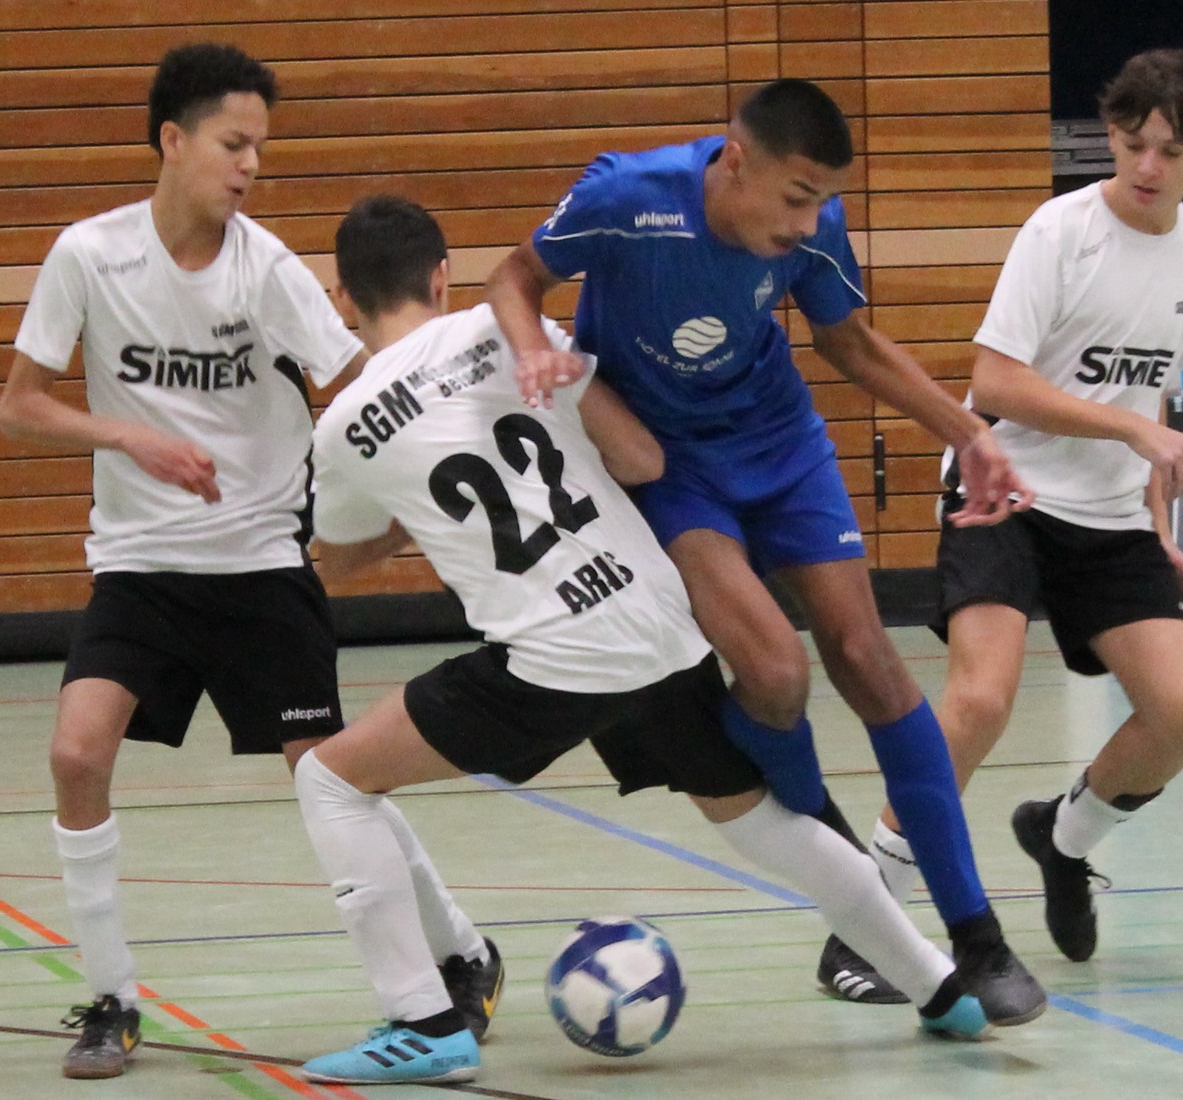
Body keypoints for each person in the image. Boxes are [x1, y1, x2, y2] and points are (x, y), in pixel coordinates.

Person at [294, 195, 993, 1085]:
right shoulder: (510, 331)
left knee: (332, 780)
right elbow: (642, 462)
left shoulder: (345, 424)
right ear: (441, 277)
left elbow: (341, 558)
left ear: (342, 301)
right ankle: (941, 987)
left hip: (549, 660)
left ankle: (423, 1021)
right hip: (656, 626)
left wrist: (406, 505)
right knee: (763, 823)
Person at [484, 78, 1045, 1024]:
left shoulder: (813, 229)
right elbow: (512, 278)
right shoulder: (628, 197)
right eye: (795, 196)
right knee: (777, 675)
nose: (808, 221)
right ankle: (840, 862)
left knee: (868, 659)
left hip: (780, 444)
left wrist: (968, 432)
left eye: (823, 200)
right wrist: (529, 348)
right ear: (736, 162)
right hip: (670, 468)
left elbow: (851, 343)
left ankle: (978, 936)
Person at [0, 44, 502, 1081]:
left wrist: (408, 512)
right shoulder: (89, 256)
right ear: (172, 141)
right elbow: (20, 407)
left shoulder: (267, 271)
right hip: (140, 567)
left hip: (264, 567)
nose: (251, 166)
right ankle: (112, 998)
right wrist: (129, 437)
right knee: (77, 755)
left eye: (260, 148)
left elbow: (369, 385)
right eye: (234, 144)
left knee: (330, 775)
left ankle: (461, 948)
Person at [874, 48, 1183, 963]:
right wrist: (1131, 430)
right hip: (1008, 492)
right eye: (1132, 142)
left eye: (1171, 151)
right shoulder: (1059, 231)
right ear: (1111, 135)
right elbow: (995, 383)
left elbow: (1152, 399)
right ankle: (867, 921)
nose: (1147, 165)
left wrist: (1160, 534)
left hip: (1111, 518)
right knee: (980, 701)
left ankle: (1062, 840)